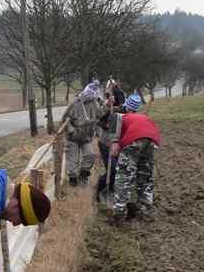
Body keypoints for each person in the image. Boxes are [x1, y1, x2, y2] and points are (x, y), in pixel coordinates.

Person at [109, 93, 161, 225]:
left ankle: (119, 215)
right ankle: (145, 210)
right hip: (152, 140)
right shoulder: (142, 116)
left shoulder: (119, 116)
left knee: (124, 176)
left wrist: (115, 148)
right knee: (145, 175)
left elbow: (115, 144)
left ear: (126, 106)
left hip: (134, 140)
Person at [61, 82, 105, 186]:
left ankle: (83, 175)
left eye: (94, 97)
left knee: (90, 155)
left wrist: (106, 104)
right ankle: (73, 179)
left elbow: (100, 114)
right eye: (91, 96)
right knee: (73, 160)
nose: (92, 98)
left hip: (87, 137)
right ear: (86, 93)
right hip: (73, 137)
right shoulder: (75, 103)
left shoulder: (94, 102)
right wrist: (72, 130)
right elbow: (64, 120)